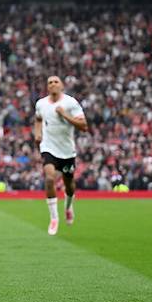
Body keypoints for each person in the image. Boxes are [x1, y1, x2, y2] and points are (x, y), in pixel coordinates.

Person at [34, 76, 88, 235]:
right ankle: (54, 218)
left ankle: (68, 206)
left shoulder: (70, 103)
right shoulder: (41, 103)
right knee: (49, 178)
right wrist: (38, 134)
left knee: (69, 185)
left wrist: (64, 115)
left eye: (56, 82)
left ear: (62, 86)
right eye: (49, 82)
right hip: (48, 147)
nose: (52, 84)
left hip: (67, 152)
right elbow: (38, 119)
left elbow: (84, 126)